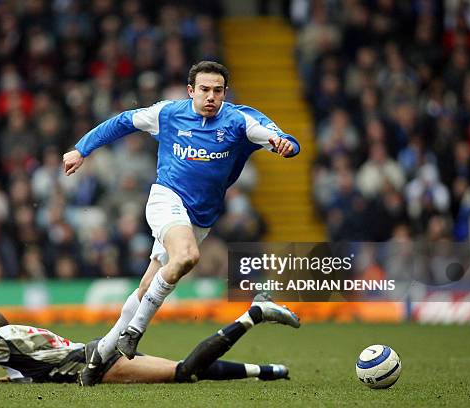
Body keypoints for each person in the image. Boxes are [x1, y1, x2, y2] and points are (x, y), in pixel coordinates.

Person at [62, 61, 301, 385]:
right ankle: (134, 332)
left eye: (217, 90)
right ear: (191, 91)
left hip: (201, 217)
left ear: (225, 93)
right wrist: (81, 149)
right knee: (186, 256)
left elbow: (283, 139)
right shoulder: (168, 113)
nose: (211, 96)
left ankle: (99, 355)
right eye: (204, 89)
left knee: (148, 286)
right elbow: (121, 122)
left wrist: (286, 145)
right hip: (166, 200)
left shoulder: (240, 120)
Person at [0, 294, 300, 385]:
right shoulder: (21, 332)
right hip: (93, 354)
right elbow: (44, 364)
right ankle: (268, 370)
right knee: (184, 372)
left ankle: (252, 314)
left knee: (183, 372)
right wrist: (19, 377)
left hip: (99, 362)